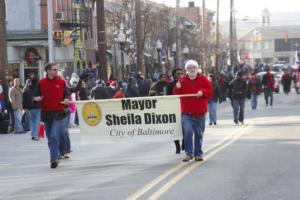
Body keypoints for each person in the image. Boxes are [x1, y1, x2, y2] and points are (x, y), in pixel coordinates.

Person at [173, 60, 213, 162]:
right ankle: (189, 153)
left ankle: (198, 154)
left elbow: (210, 91)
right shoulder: (182, 80)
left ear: (197, 68)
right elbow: (176, 95)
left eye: (194, 67)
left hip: (200, 112)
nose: (192, 69)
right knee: (188, 131)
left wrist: (202, 92)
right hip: (187, 113)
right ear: (186, 70)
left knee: (199, 133)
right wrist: (177, 88)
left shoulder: (203, 79)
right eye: (190, 68)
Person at [34, 63, 70, 169]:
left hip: (59, 113)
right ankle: (57, 155)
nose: (56, 71)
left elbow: (67, 93)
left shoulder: (61, 82)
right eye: (54, 69)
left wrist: (67, 99)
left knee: (54, 136)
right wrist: (36, 99)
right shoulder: (41, 83)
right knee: (50, 138)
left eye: (57, 69)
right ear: (48, 71)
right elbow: (36, 95)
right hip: (46, 114)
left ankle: (53, 159)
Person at [167, 68, 185, 154]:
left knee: (185, 127)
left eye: (181, 73)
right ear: (174, 75)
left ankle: (184, 142)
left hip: (184, 108)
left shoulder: (185, 83)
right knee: (175, 129)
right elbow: (167, 97)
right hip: (174, 109)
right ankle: (177, 146)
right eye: (178, 73)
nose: (180, 75)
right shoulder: (170, 85)